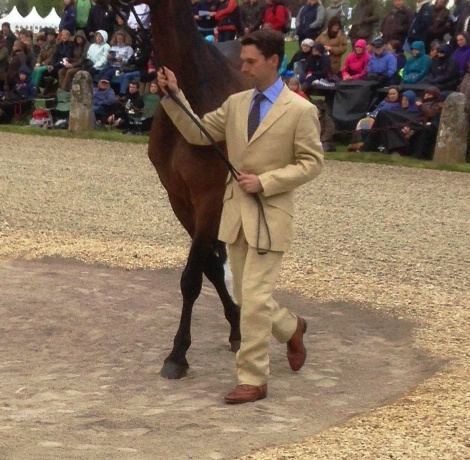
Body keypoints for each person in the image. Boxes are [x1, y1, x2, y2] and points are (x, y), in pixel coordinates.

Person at [156, 28, 323, 404]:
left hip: (271, 214)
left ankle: (253, 378)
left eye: (250, 61)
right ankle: (292, 326)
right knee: (247, 297)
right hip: (235, 215)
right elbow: (198, 133)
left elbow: (312, 164)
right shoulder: (236, 104)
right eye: (243, 60)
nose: (243, 67)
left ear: (273, 61)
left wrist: (267, 181)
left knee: (255, 296)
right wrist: (172, 96)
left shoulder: (301, 111)